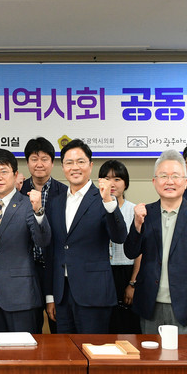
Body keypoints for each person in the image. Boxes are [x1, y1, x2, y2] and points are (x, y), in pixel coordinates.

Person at [124, 149, 187, 334]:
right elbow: (130, 252)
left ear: (185, 181)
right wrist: (137, 225)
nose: (169, 181)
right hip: (149, 303)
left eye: (175, 176)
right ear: (154, 181)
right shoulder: (145, 214)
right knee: (150, 352)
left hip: (186, 305)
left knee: (184, 353)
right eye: (163, 176)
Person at [48, 139, 127, 334]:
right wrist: (50, 296)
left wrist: (109, 201)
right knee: (64, 349)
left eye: (80, 162)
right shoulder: (55, 202)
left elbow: (119, 236)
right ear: (63, 167)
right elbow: (52, 250)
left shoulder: (103, 198)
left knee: (93, 349)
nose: (75, 167)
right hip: (62, 294)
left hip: (94, 294)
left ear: (90, 166)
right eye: (69, 162)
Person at [0, 148, 50, 333]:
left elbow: (43, 241)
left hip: (22, 297)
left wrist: (39, 211)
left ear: (15, 174)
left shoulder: (28, 205)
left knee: (25, 350)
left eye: (4, 171)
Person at [20, 136, 68, 333]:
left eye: (44, 159)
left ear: (52, 162)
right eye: (34, 159)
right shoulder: (18, 191)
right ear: (27, 162)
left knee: (59, 326)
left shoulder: (65, 192)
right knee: (29, 328)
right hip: (26, 269)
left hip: (55, 267)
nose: (39, 164)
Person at [99, 159, 141, 334]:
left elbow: (140, 252)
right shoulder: (95, 209)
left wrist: (132, 283)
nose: (112, 184)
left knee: (126, 326)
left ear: (126, 183)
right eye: (107, 179)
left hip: (126, 273)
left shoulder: (135, 210)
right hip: (102, 273)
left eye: (117, 179)